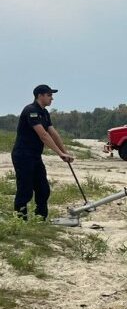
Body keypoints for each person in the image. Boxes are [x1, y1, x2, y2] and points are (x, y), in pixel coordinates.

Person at [11, 84, 74, 220]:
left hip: (34, 156)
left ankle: (40, 218)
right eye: (49, 95)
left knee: (43, 189)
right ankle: (20, 220)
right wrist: (59, 153)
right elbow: (43, 135)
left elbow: (53, 133)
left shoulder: (44, 112)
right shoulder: (31, 110)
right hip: (23, 155)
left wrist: (65, 152)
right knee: (25, 190)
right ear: (40, 96)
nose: (52, 98)